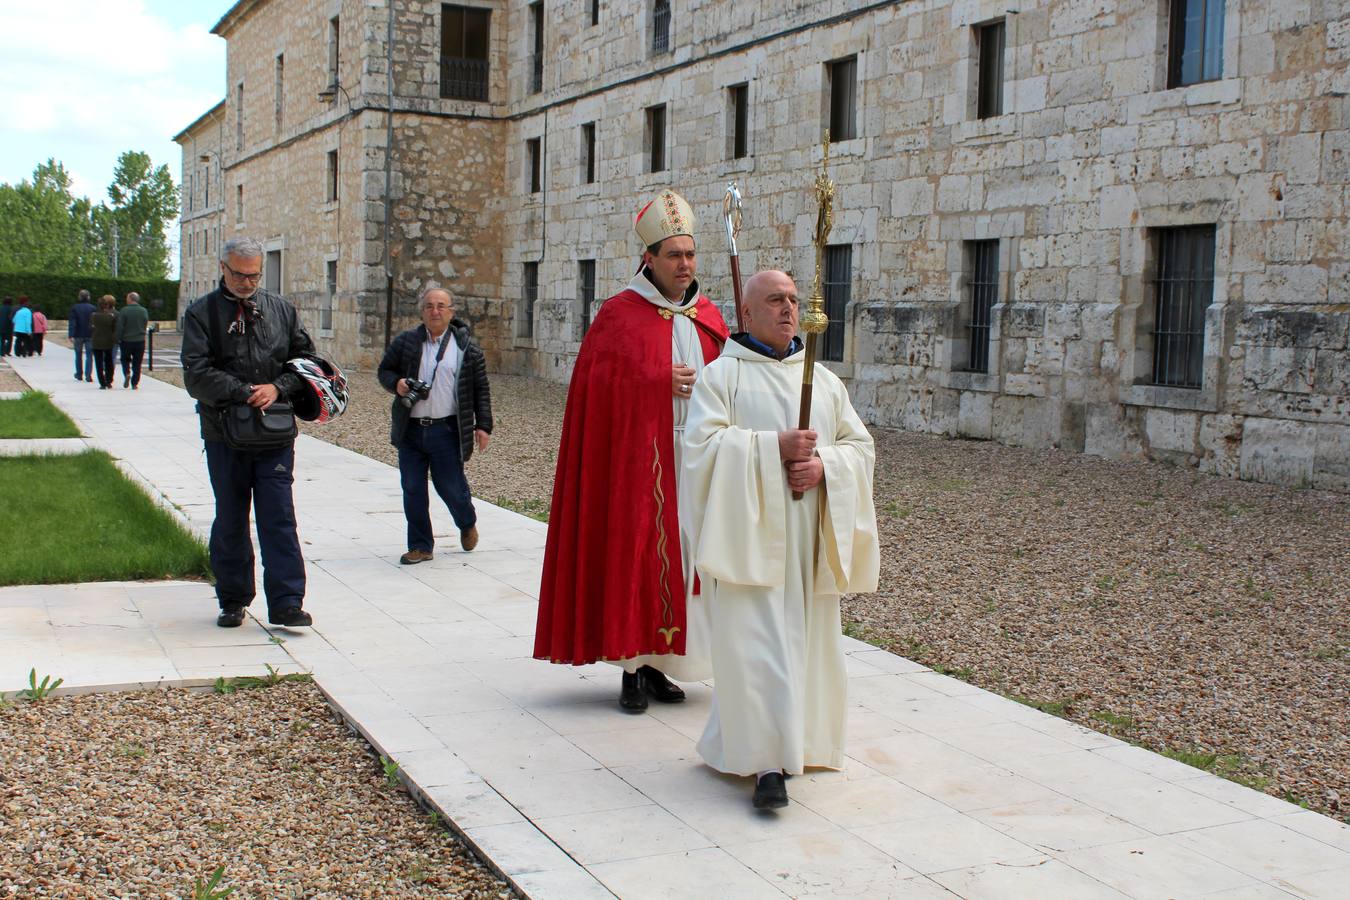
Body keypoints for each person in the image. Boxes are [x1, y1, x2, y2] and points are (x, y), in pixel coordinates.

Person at [680, 270, 880, 810]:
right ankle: (766, 761)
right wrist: (774, 448)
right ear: (747, 314)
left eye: (793, 300)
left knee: (807, 643)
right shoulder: (722, 378)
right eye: (775, 300)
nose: (789, 309)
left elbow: (860, 449)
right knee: (758, 647)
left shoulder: (824, 381)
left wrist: (821, 466)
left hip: (808, 538)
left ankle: (806, 741)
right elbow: (700, 450)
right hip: (750, 540)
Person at [534, 189, 730, 712]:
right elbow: (596, 388)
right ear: (649, 258)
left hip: (697, 460)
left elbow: (733, 383)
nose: (685, 265)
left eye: (690, 254)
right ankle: (631, 667)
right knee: (637, 556)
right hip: (637, 460)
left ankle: (667, 664)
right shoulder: (620, 315)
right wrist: (655, 379)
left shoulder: (708, 315)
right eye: (674, 255)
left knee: (688, 561)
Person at [181, 237, 317, 629]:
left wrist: (278, 388)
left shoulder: (282, 310)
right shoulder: (202, 313)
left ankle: (288, 601)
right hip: (224, 433)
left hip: (274, 432)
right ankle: (232, 598)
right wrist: (243, 392)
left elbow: (305, 361)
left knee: (279, 516)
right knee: (230, 518)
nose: (246, 282)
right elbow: (196, 373)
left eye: (254, 274)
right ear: (223, 268)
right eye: (239, 274)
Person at [377, 286, 493, 564]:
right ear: (422, 311)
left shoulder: (466, 349)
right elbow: (385, 370)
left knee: (450, 486)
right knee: (413, 487)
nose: (435, 311)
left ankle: (466, 520)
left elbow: (480, 389)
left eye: (441, 306)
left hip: (447, 430)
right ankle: (420, 546)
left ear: (451, 311)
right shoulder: (407, 342)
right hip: (412, 429)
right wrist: (397, 384)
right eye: (429, 306)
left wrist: (484, 425)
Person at [115, 291, 150, 389]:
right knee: (137, 363)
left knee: (125, 359)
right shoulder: (143, 311)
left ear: (130, 299)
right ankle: (135, 383)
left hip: (127, 340)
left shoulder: (124, 310)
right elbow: (145, 323)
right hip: (140, 340)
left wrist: (117, 338)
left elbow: (120, 327)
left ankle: (127, 372)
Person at [90, 296, 118, 388]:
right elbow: (114, 329)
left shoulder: (93, 316)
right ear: (107, 306)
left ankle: (102, 383)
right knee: (109, 362)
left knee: (98, 363)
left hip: (96, 341)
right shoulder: (111, 316)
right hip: (108, 341)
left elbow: (90, 328)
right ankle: (109, 380)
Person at [68, 290, 96, 381]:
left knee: (78, 355)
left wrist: (71, 334)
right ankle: (88, 375)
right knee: (89, 355)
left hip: (78, 334)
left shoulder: (75, 308)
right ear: (88, 297)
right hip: (90, 334)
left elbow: (73, 322)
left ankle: (79, 374)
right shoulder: (93, 308)